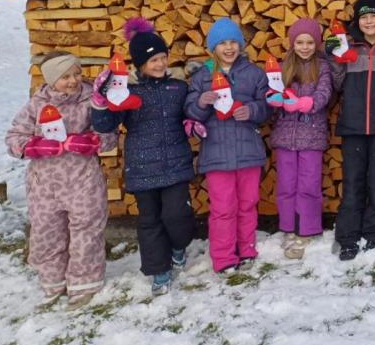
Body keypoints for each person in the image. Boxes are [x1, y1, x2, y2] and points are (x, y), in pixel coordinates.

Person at [5, 51, 118, 309]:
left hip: (83, 179)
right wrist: (33, 146)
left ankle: (84, 284)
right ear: (51, 79)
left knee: (86, 230)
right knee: (47, 231)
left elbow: (109, 136)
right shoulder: (36, 105)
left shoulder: (92, 101)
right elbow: (13, 138)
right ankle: (53, 281)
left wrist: (92, 141)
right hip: (45, 183)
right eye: (65, 76)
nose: (73, 80)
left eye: (76, 73)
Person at [91, 18, 196, 295]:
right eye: (153, 61)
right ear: (140, 65)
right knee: (149, 222)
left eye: (163, 58)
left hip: (176, 164)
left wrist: (194, 122)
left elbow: (191, 114)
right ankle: (158, 270)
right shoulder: (127, 93)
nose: (160, 64)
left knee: (178, 215)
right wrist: (101, 102)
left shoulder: (178, 88)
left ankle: (178, 246)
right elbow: (105, 126)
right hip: (142, 168)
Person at [184, 17, 270, 273]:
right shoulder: (202, 77)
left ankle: (246, 248)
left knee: (247, 204)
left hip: (248, 152)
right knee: (222, 208)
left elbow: (267, 107)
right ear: (213, 47)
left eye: (234, 42)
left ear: (241, 45)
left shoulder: (254, 73)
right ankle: (223, 257)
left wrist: (252, 110)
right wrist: (201, 103)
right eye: (223, 43)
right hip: (216, 155)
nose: (229, 48)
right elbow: (189, 111)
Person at [328, 0, 375, 261]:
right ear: (357, 21)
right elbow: (337, 84)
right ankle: (348, 235)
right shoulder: (350, 47)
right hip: (353, 125)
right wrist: (336, 58)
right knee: (353, 182)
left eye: (373, 16)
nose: (369, 21)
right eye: (363, 17)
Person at [268, 17, 333, 261]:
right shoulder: (285, 65)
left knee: (308, 184)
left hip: (312, 134)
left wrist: (310, 102)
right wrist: (273, 99)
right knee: (286, 184)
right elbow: (273, 90)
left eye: (309, 42)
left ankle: (307, 227)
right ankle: (287, 226)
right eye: (299, 42)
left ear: (316, 43)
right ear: (292, 43)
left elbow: (325, 91)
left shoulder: (323, 66)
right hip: (285, 135)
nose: (304, 47)